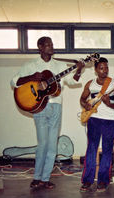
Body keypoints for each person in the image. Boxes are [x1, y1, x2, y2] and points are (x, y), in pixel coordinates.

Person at [10, 36, 85, 189]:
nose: (51, 46)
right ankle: (36, 177)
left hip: (56, 106)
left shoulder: (59, 65)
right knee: (42, 144)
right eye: (48, 44)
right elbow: (14, 81)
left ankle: (45, 179)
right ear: (40, 47)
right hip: (39, 107)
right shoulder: (31, 65)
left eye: (52, 44)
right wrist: (32, 77)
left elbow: (73, 81)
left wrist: (79, 69)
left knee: (52, 146)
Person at [79, 57, 114, 192]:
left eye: (106, 68)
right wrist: (85, 104)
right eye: (101, 68)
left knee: (107, 150)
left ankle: (103, 180)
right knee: (91, 149)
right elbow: (82, 98)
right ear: (96, 70)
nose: (105, 71)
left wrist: (108, 103)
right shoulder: (90, 84)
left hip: (110, 120)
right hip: (94, 119)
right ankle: (87, 180)